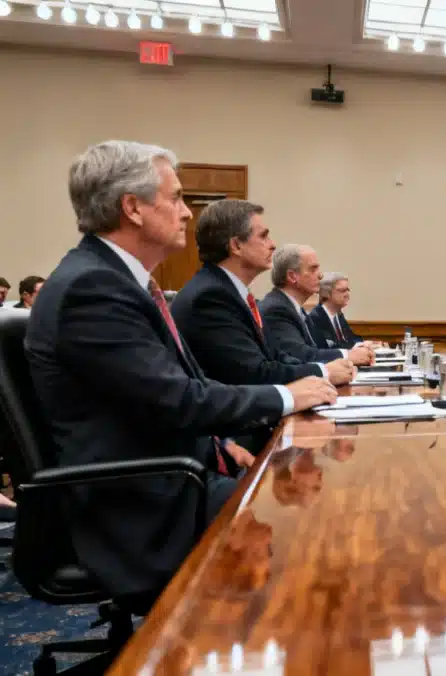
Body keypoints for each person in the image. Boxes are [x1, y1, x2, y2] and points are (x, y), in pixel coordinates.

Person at [24, 140, 337, 611]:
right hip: (137, 506)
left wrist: (220, 444)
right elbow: (177, 400)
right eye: (175, 198)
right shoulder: (93, 288)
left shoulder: (113, 279)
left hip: (169, 475)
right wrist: (287, 397)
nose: (187, 213)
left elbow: (150, 395)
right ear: (132, 207)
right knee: (315, 535)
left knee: (307, 507)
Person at [171, 200, 356, 389]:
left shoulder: (230, 292)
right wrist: (324, 372)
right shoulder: (211, 297)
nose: (273, 245)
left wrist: (321, 368)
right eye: (264, 236)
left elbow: (275, 356)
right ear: (236, 246)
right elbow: (253, 373)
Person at [259, 245, 373, 365]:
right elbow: (301, 355)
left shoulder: (297, 310)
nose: (320, 275)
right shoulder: (277, 309)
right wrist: (348, 355)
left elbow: (316, 350)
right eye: (313, 269)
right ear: (292, 276)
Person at [308, 272, 365, 349]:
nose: (347, 294)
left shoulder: (338, 315)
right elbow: (329, 347)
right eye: (342, 290)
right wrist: (356, 346)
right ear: (326, 293)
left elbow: (352, 338)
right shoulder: (315, 317)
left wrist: (364, 344)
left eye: (347, 290)